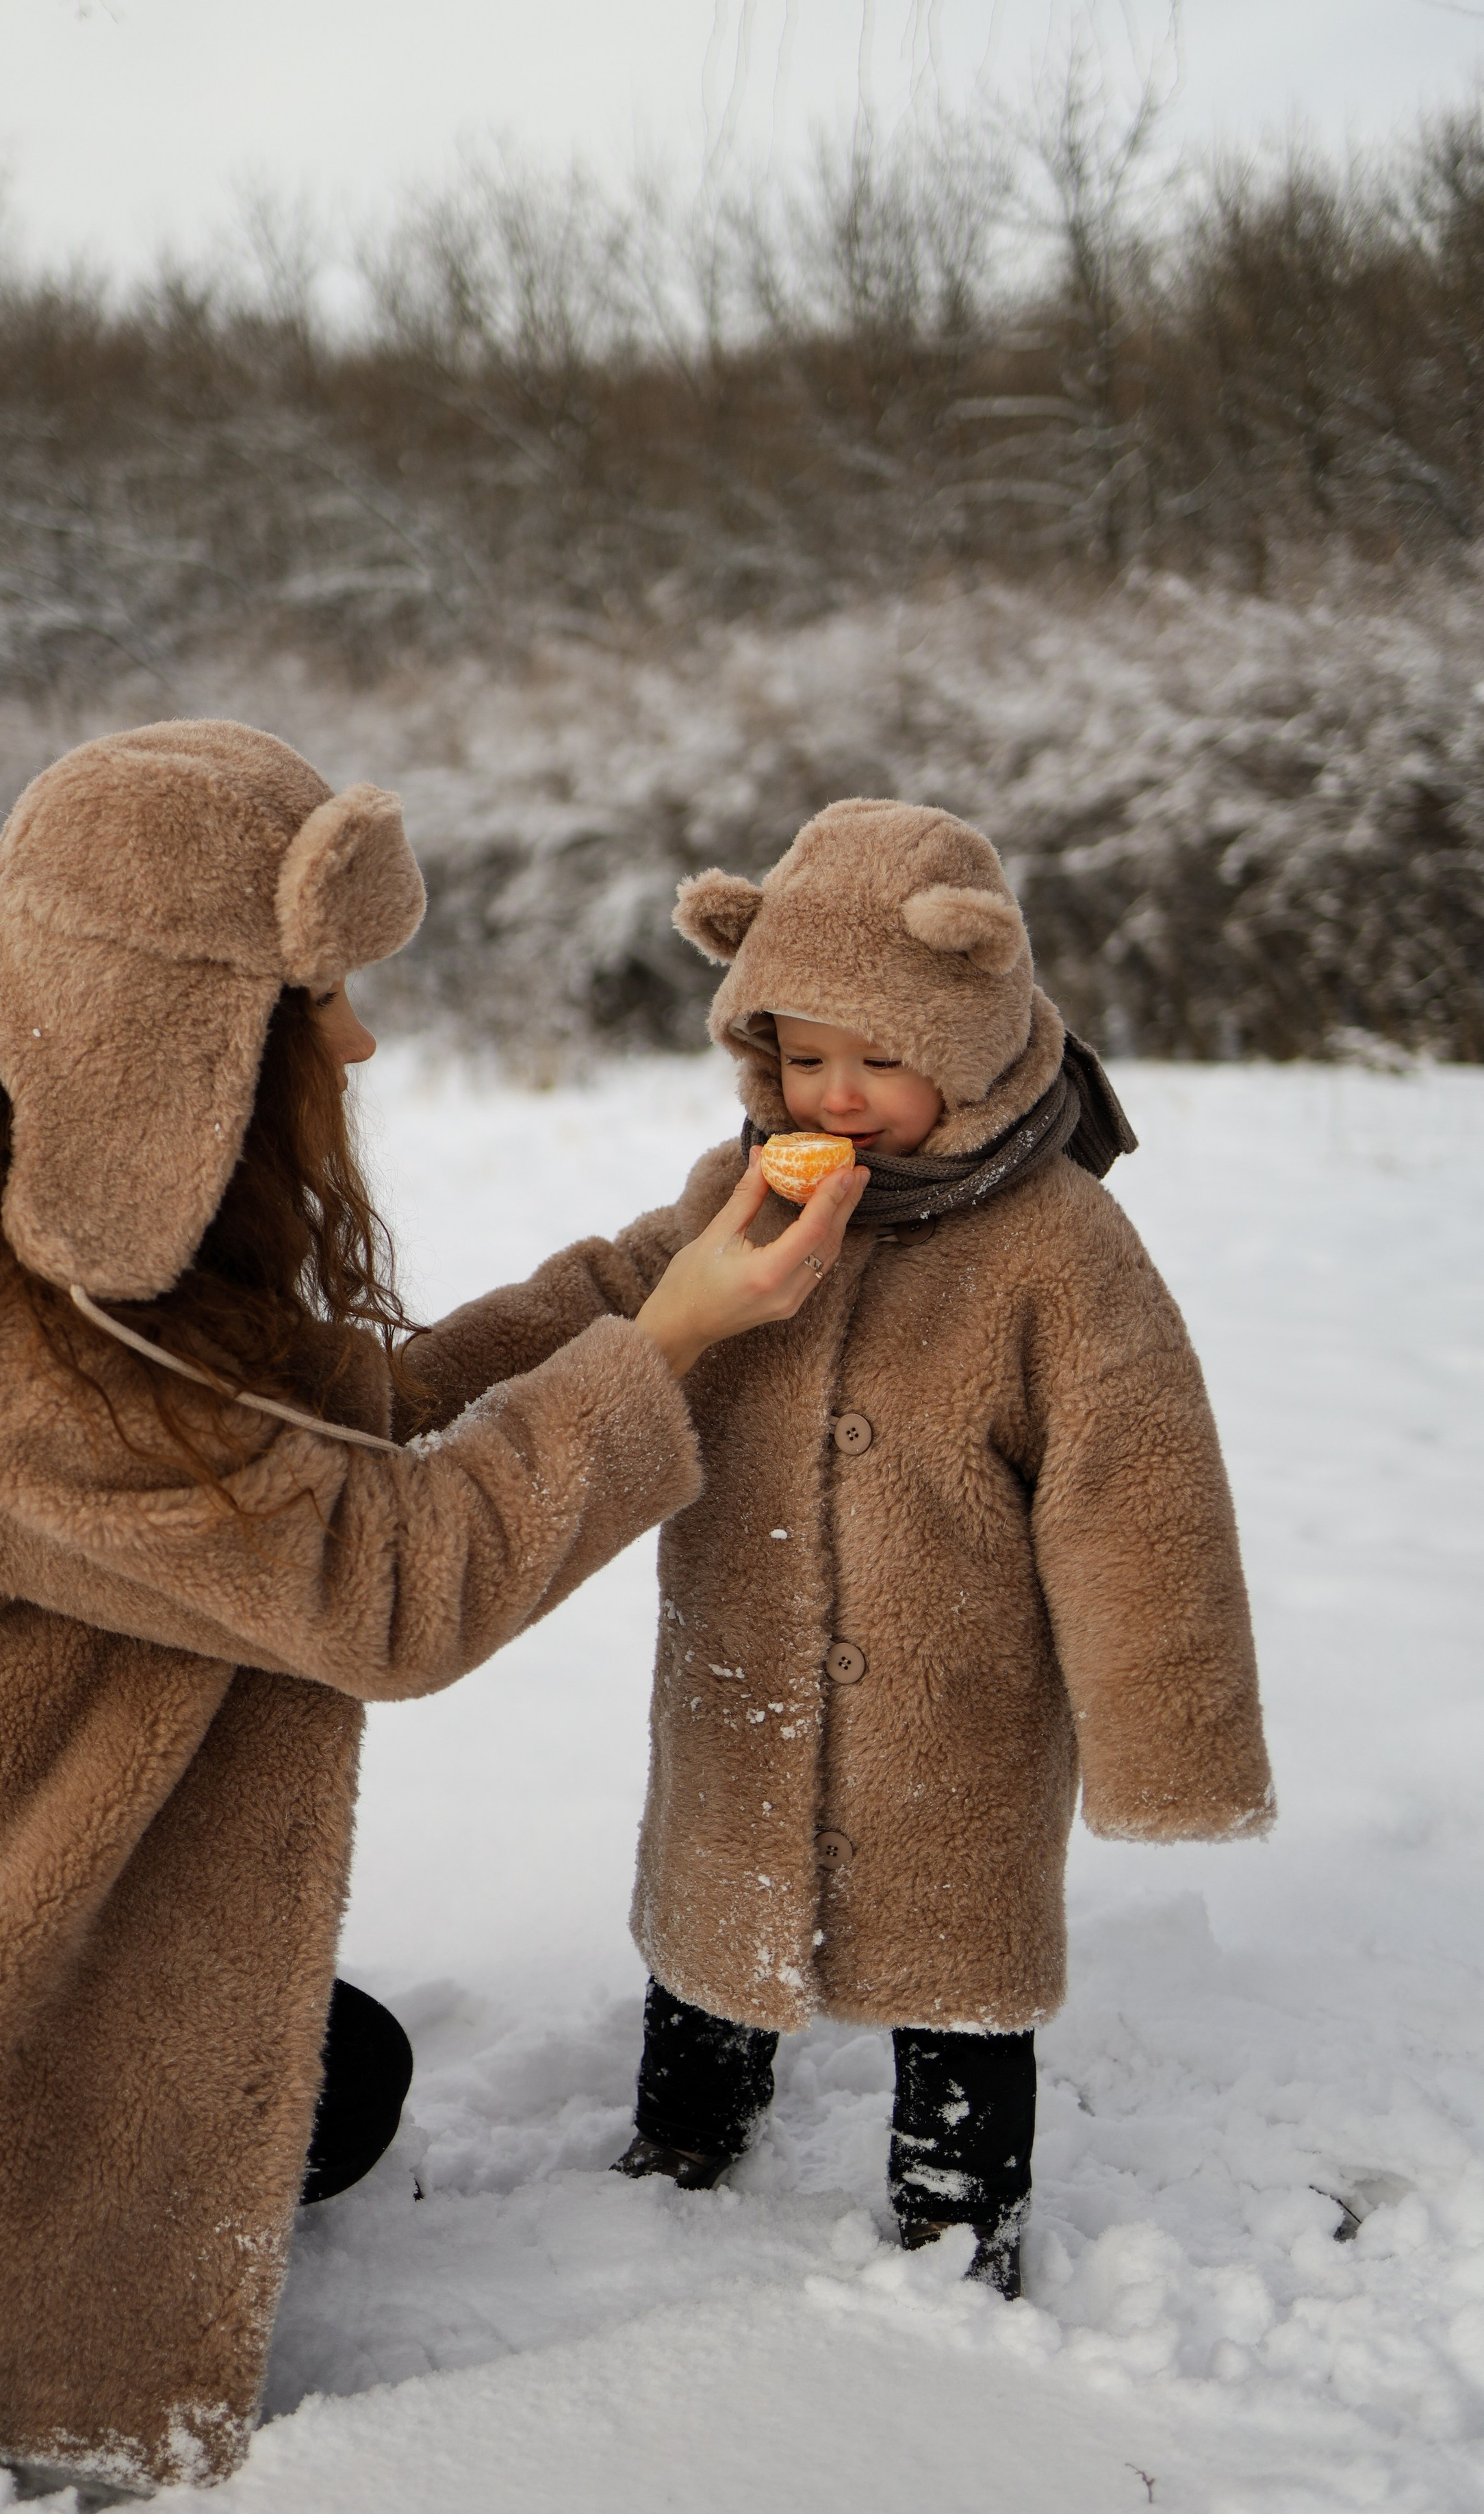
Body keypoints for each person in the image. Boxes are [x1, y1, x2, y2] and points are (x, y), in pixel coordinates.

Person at [0, 721, 865, 2491]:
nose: (359, 1036)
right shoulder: (15, 1364)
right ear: (180, 1038)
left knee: (337, 2074)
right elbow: (386, 1580)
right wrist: (676, 1343)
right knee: (300, 2093)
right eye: (311, 998)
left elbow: (346, 1429)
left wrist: (678, 1252)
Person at [404, 797, 1275, 2298]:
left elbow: (1137, 1492)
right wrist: (410, 1384)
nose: (840, 1094)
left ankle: (954, 2211)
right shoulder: (734, 1188)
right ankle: (683, 2137)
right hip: (737, 1668)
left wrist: (1168, 1745)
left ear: (978, 1037)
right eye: (804, 1057)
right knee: (709, 1925)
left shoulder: (1055, 1248)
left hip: (961, 1709)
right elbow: (603, 1294)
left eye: (885, 1059)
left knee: (959, 1967)